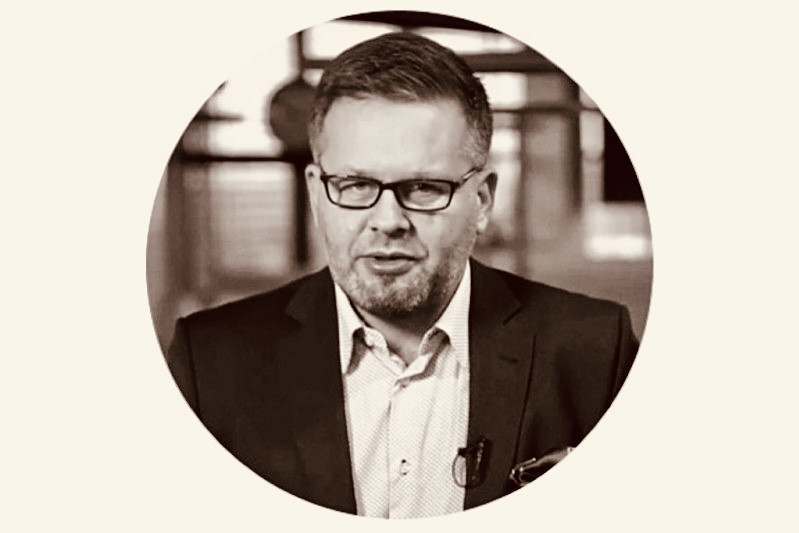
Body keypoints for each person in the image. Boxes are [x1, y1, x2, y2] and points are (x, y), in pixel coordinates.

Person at [166, 31, 638, 518]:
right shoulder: (210, 365)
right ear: (316, 194)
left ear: (482, 200)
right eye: (355, 184)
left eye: (424, 187)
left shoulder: (596, 351)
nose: (388, 220)